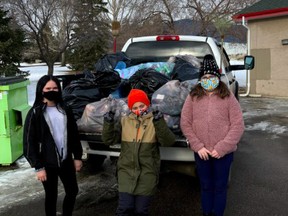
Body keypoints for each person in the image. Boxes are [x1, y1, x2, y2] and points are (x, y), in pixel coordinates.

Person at [180, 54, 245, 216]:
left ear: (217, 77)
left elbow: (238, 125)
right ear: (200, 78)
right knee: (206, 186)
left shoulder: (228, 97)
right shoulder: (193, 96)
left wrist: (222, 147)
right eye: (205, 77)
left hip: (222, 154)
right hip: (202, 153)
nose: (208, 79)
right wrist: (198, 146)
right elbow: (185, 123)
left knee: (220, 187)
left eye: (211, 76)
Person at [102, 89, 175, 216]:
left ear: (147, 105)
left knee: (141, 211)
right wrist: (108, 123)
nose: (139, 109)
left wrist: (159, 122)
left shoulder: (154, 121)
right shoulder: (125, 121)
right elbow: (109, 140)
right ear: (130, 108)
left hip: (147, 173)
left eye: (141, 106)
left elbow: (168, 141)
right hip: (126, 172)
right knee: (124, 209)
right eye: (134, 107)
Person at [23, 75, 83, 216]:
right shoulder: (35, 113)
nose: (52, 90)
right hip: (47, 162)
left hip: (65, 160)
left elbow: (74, 135)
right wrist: (38, 166)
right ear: (41, 90)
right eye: (48, 88)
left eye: (55, 88)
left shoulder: (65, 109)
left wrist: (78, 157)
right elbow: (28, 142)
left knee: (72, 191)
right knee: (51, 195)